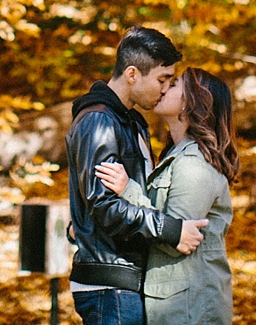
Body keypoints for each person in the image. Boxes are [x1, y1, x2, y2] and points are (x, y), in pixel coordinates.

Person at [66, 27, 209, 325]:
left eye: (170, 80)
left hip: (125, 281)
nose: (165, 88)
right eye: (161, 79)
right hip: (110, 284)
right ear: (132, 74)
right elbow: (104, 206)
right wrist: (171, 230)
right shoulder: (99, 121)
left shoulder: (130, 122)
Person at [94, 67, 237, 325]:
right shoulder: (175, 157)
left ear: (192, 103)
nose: (164, 88)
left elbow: (177, 239)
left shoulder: (194, 164)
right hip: (175, 306)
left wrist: (129, 191)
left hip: (191, 309)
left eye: (175, 84)